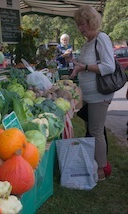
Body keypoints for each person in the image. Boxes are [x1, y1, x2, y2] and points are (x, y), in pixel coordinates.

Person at [70, 5, 115, 181]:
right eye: (78, 24)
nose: (80, 28)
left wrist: (85, 66)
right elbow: (85, 66)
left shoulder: (101, 38)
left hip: (99, 95)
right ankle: (94, 163)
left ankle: (101, 171)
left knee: (96, 131)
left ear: (91, 21)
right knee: (92, 129)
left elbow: (109, 67)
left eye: (83, 24)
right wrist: (76, 67)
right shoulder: (88, 42)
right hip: (89, 96)